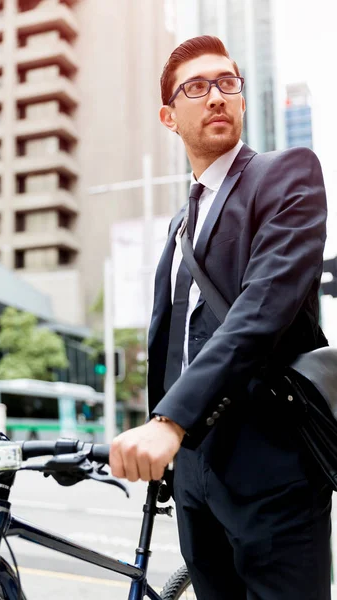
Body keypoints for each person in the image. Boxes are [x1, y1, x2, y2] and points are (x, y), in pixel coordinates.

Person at [109, 35, 331, 599]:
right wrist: (165, 438)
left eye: (227, 83)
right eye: (197, 87)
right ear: (168, 115)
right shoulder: (180, 225)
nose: (216, 96)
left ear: (241, 99)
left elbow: (261, 310)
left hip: (271, 466)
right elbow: (172, 340)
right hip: (193, 475)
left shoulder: (286, 175)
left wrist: (169, 421)